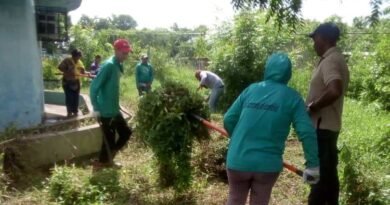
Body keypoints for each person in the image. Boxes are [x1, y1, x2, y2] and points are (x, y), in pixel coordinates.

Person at [223, 52, 320, 205]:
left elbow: (228, 119)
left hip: (238, 160)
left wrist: (236, 138)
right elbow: (307, 132)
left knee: (235, 199)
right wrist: (313, 165)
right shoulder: (293, 97)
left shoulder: (251, 89)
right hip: (267, 165)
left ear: (267, 69)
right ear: (288, 74)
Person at [306, 22, 350, 205]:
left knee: (318, 176)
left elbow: (334, 90)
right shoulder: (333, 58)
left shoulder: (331, 60)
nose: (313, 43)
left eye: (315, 39)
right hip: (325, 128)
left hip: (321, 128)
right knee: (328, 175)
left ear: (323, 38)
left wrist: (313, 106)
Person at [90, 39, 133, 168]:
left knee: (126, 133)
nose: (126, 56)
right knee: (109, 139)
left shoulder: (117, 64)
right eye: (123, 53)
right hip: (105, 111)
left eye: (127, 53)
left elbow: (111, 88)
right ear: (116, 50)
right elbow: (94, 88)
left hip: (114, 109)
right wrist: (96, 108)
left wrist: (117, 103)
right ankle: (103, 162)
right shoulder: (109, 65)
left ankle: (107, 158)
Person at [58, 49, 86, 117]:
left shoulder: (79, 62)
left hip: (76, 82)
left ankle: (75, 112)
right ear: (73, 56)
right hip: (67, 82)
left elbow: (82, 71)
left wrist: (83, 71)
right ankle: (69, 112)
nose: (78, 58)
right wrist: (67, 72)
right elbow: (60, 67)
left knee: (76, 97)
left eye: (79, 56)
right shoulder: (67, 60)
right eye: (77, 56)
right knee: (69, 97)